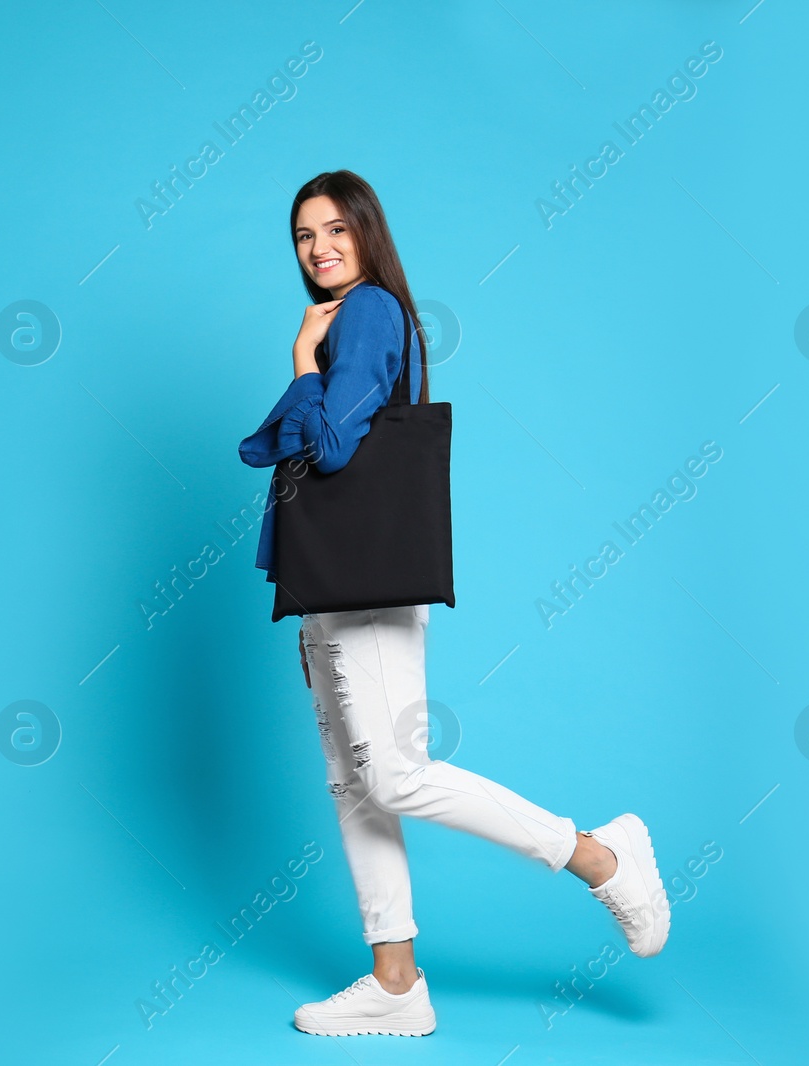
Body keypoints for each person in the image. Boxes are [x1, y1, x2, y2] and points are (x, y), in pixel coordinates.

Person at [237, 170, 671, 1038]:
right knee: (356, 787)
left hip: (367, 590)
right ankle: (395, 983)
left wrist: (297, 364)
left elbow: (324, 448)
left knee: (393, 775)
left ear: (366, 233)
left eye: (334, 230)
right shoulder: (351, 318)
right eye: (303, 237)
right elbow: (280, 451)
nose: (319, 249)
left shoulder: (367, 312)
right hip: (335, 593)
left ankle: (601, 857)